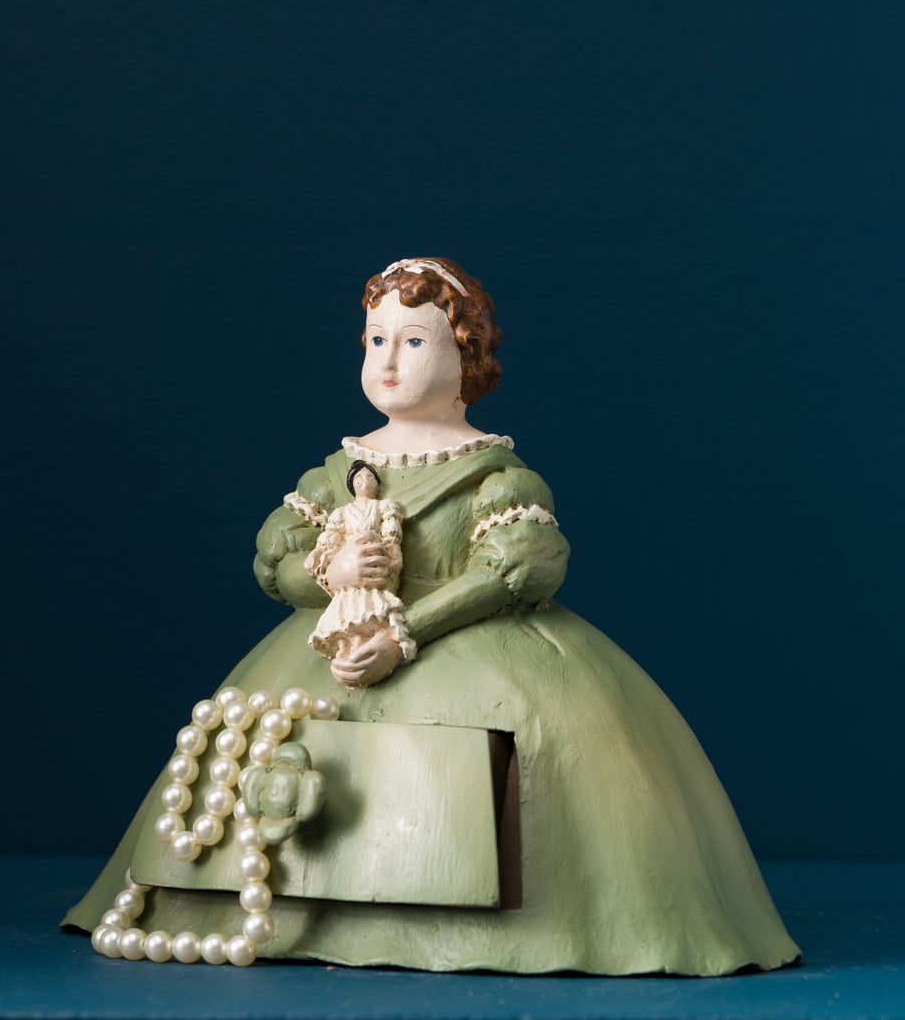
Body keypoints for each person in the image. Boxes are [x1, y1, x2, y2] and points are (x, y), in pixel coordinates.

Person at [63, 257, 800, 975]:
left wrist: (402, 631)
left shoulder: (494, 474)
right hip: (327, 649)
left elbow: (516, 568)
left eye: (414, 341)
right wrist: (329, 572)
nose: (388, 361)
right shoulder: (337, 472)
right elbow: (273, 562)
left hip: (473, 645)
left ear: (466, 356)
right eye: (376, 339)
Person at [304, 460, 416, 686]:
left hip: (374, 565)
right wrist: (323, 558)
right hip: (348, 573)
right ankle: (348, 650)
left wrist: (393, 555)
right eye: (358, 479)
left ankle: (368, 646)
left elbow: (391, 535)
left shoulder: (383, 507)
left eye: (369, 478)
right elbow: (331, 537)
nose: (364, 482)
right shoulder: (342, 513)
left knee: (372, 610)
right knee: (349, 613)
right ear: (352, 484)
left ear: (377, 483)